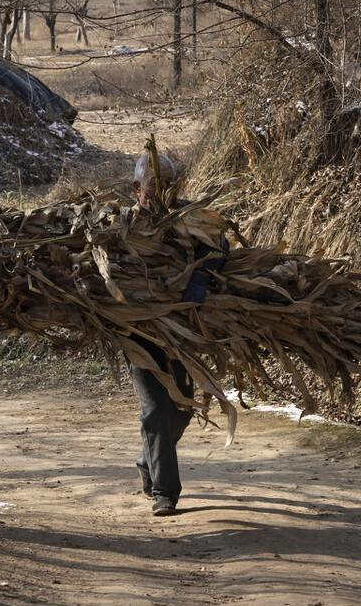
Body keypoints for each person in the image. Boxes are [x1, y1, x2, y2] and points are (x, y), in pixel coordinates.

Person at [130, 151, 225, 516]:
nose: (163, 192)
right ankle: (165, 492)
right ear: (137, 188)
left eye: (170, 185)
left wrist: (200, 278)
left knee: (181, 408)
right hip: (137, 331)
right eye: (156, 186)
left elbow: (219, 245)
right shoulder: (122, 225)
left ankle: (147, 460)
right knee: (155, 409)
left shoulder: (190, 218)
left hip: (182, 330)